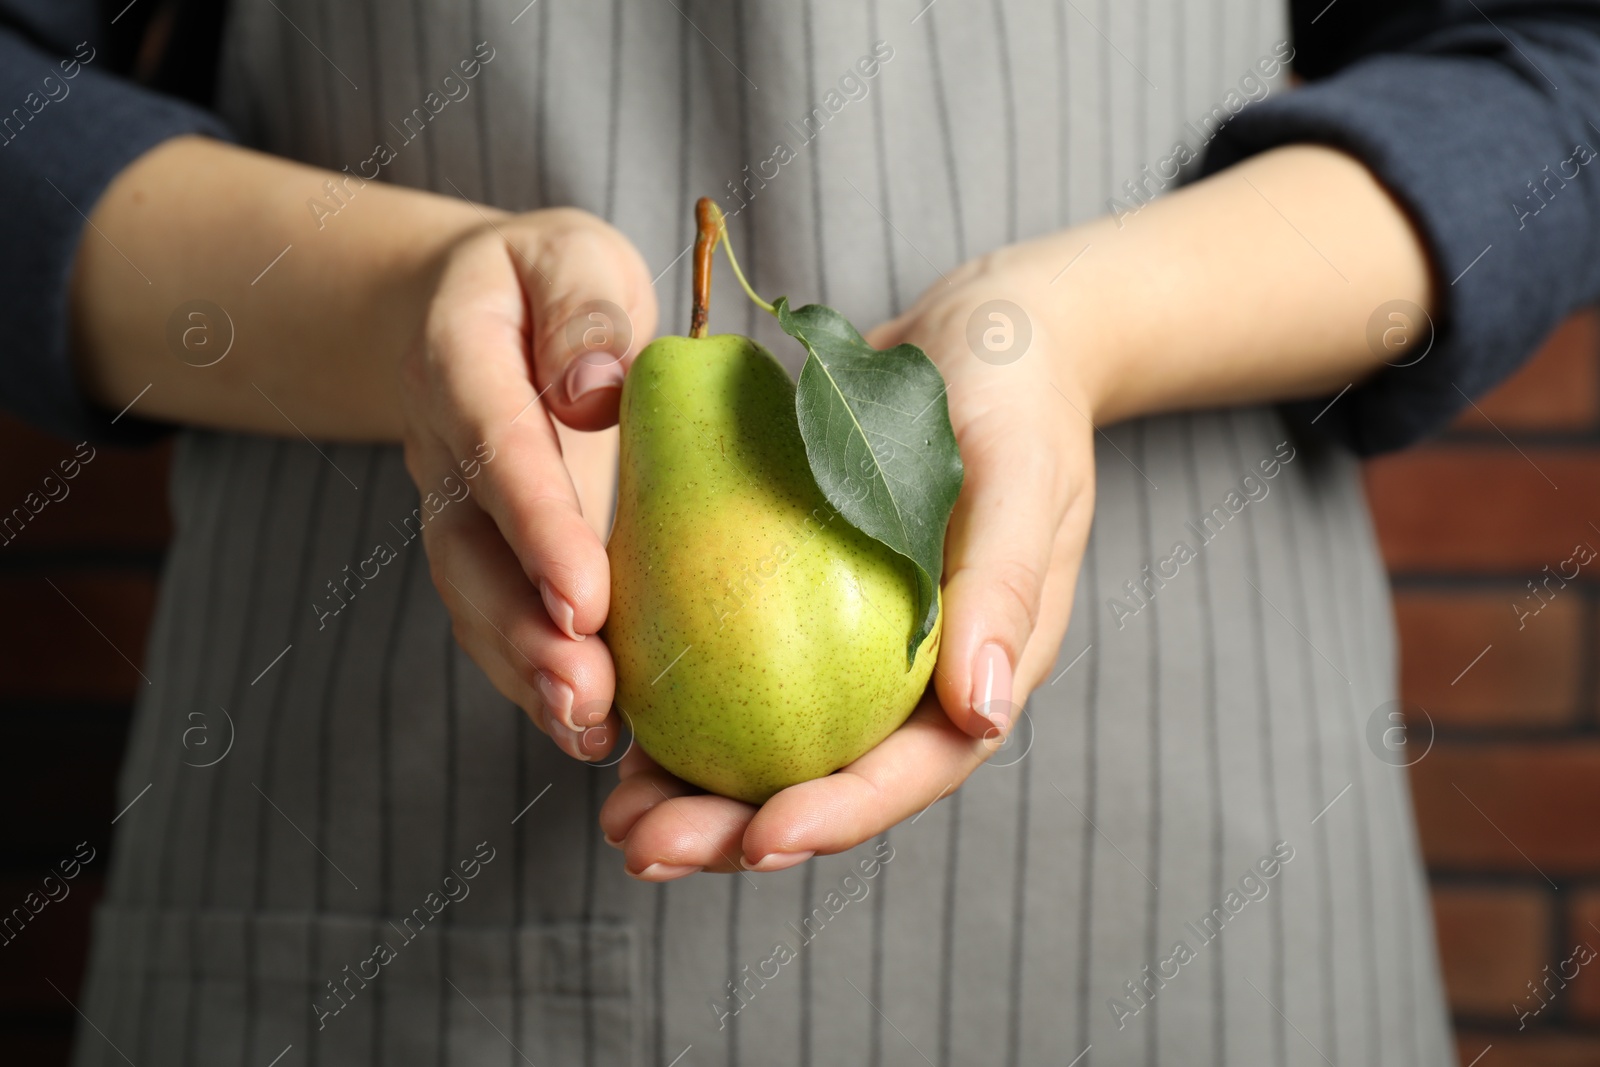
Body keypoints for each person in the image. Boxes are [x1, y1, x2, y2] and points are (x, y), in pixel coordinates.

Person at [4, 0, 1598, 1064]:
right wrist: (410, 308)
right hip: (387, 863)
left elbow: (1558, 57)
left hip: (1196, 873)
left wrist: (1086, 325)